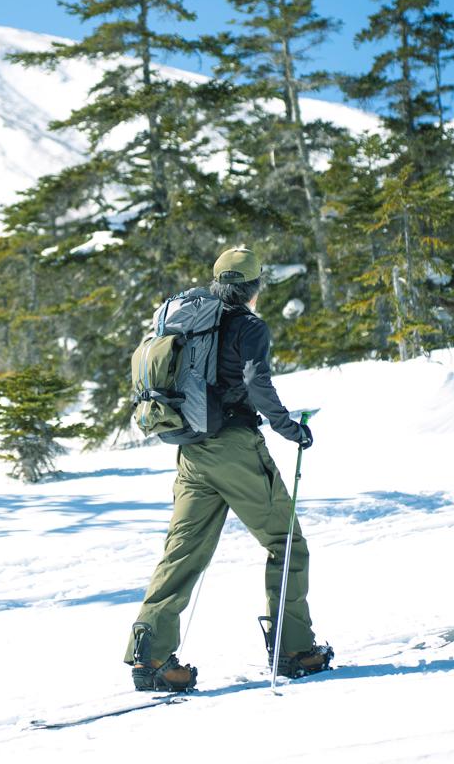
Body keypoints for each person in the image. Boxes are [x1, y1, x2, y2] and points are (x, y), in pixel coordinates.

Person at [123, 247, 333, 692]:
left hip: (190, 452)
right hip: (234, 447)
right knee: (287, 543)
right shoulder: (248, 326)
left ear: (217, 282)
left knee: (181, 555)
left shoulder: (191, 319)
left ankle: (151, 657)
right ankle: (294, 649)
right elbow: (257, 382)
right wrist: (288, 428)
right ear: (255, 287)